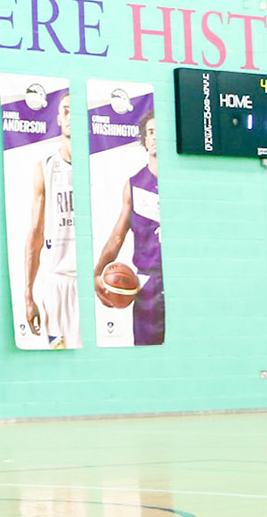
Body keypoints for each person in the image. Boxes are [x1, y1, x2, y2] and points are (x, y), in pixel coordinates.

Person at [91, 112, 165, 346]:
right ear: (144, 138)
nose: (154, 137)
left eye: (159, 132)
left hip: (181, 282)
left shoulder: (182, 183)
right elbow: (117, 238)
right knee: (148, 354)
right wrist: (97, 272)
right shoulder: (133, 185)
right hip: (148, 286)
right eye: (150, 132)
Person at [23, 91, 78, 350]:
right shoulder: (45, 168)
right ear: (58, 117)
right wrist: (28, 294)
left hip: (88, 282)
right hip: (56, 282)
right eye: (66, 110)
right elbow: (35, 232)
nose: (70, 116)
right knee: (59, 359)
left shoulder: (96, 167)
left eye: (76, 110)